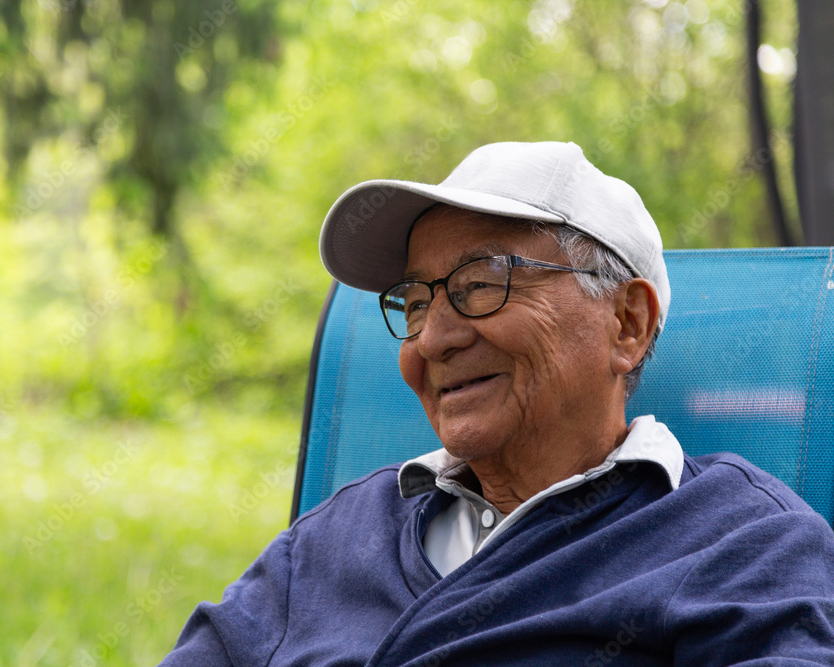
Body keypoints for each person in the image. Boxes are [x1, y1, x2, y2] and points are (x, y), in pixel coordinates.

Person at [160, 141, 834, 665]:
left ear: (625, 323)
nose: (436, 338)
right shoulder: (339, 536)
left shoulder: (744, 544)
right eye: (416, 302)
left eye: (483, 283)